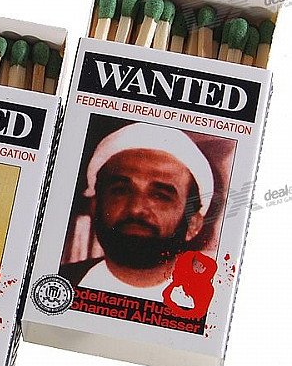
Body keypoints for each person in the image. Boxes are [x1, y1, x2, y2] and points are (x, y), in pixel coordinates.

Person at [60, 122, 214, 301]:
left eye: (160, 196)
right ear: (94, 207)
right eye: (121, 190)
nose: (136, 208)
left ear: (193, 224)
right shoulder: (59, 283)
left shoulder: (213, 304)